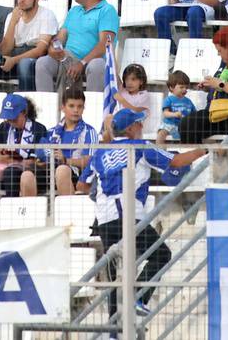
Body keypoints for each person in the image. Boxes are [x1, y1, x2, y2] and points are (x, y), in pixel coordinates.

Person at [83, 107, 206, 319]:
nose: (142, 126)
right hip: (128, 215)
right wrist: (203, 150)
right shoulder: (139, 147)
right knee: (161, 255)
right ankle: (138, 298)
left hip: (104, 218)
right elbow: (176, 161)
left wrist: (102, 197)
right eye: (139, 123)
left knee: (114, 275)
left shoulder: (100, 152)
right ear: (131, 128)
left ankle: (115, 330)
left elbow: (82, 184)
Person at [36, 0, 119, 94]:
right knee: (43, 62)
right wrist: (54, 47)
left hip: (91, 61)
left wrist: (81, 63)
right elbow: (61, 36)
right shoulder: (74, 10)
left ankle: (91, 109)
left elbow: (104, 45)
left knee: (97, 65)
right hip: (67, 58)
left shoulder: (107, 10)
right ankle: (46, 109)